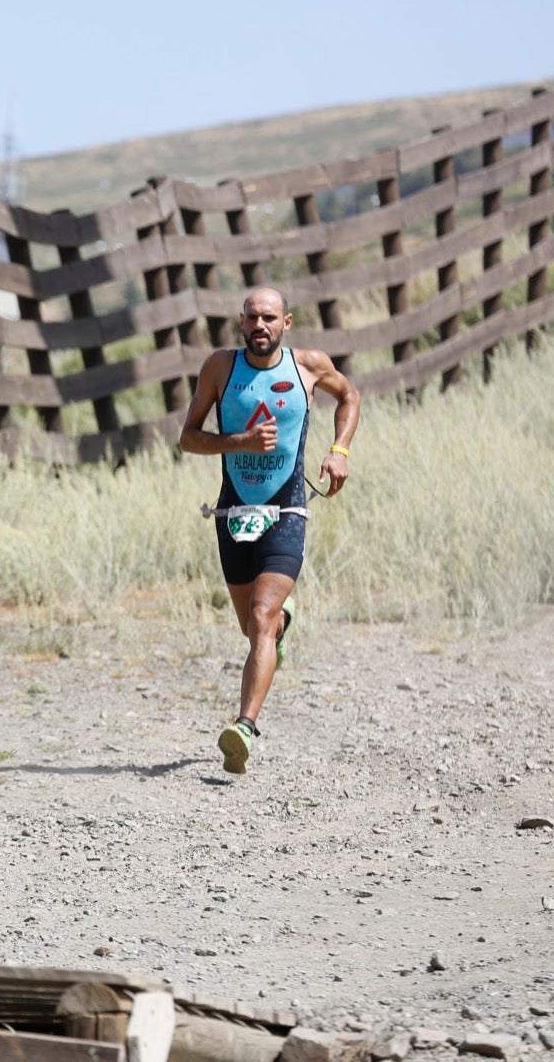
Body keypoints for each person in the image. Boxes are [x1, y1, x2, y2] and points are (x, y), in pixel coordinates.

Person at [179, 287, 361, 774]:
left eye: (270, 318)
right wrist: (238, 441)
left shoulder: (309, 366)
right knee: (253, 627)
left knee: (261, 616)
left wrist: (338, 450)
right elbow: (188, 438)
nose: (260, 326)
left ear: (287, 322)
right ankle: (281, 625)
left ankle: (243, 729)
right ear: (241, 322)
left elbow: (349, 396)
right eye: (252, 318)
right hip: (234, 513)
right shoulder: (220, 368)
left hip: (287, 512)